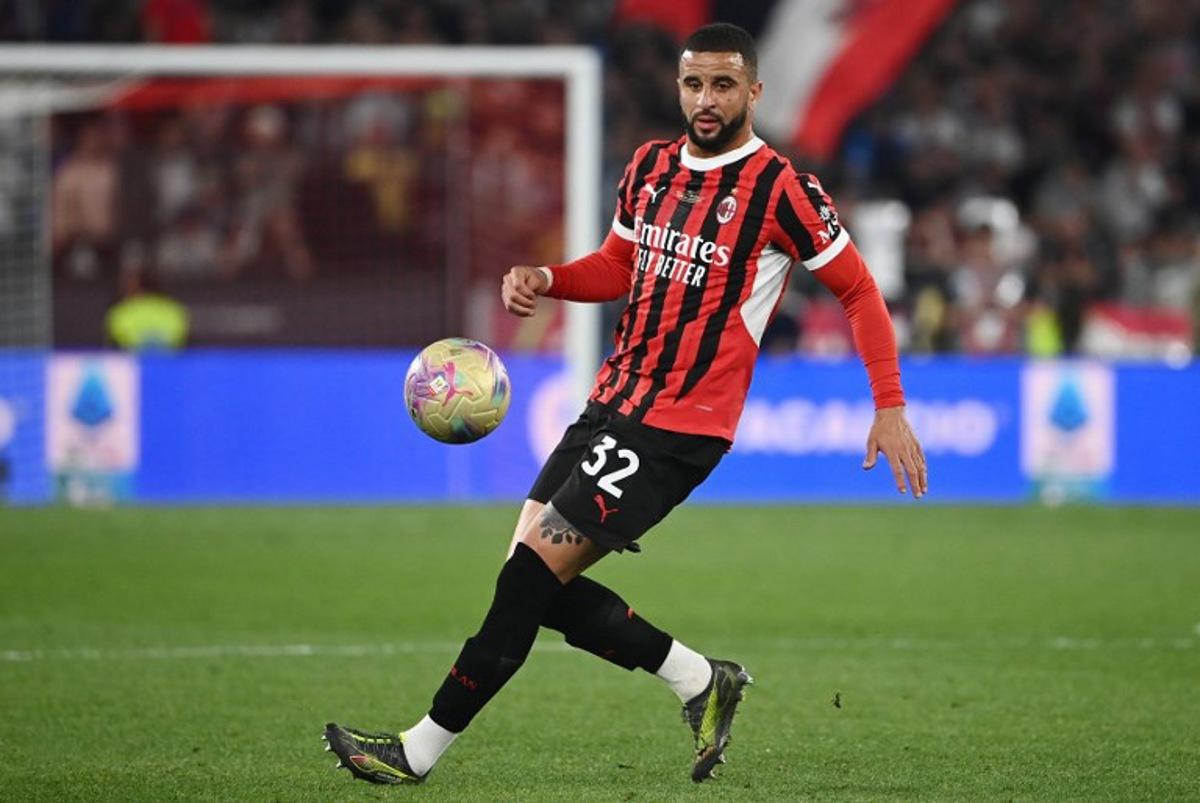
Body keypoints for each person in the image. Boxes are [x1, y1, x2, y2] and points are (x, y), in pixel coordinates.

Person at [324, 22, 927, 786]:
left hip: (679, 424)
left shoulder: (783, 190)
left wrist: (890, 403)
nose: (705, 100)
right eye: (693, 84)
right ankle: (700, 679)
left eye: (722, 85)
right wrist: (549, 277)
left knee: (525, 583)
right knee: (533, 581)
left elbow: (860, 290)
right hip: (612, 401)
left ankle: (415, 751)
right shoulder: (648, 166)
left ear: (753, 91)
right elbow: (617, 265)